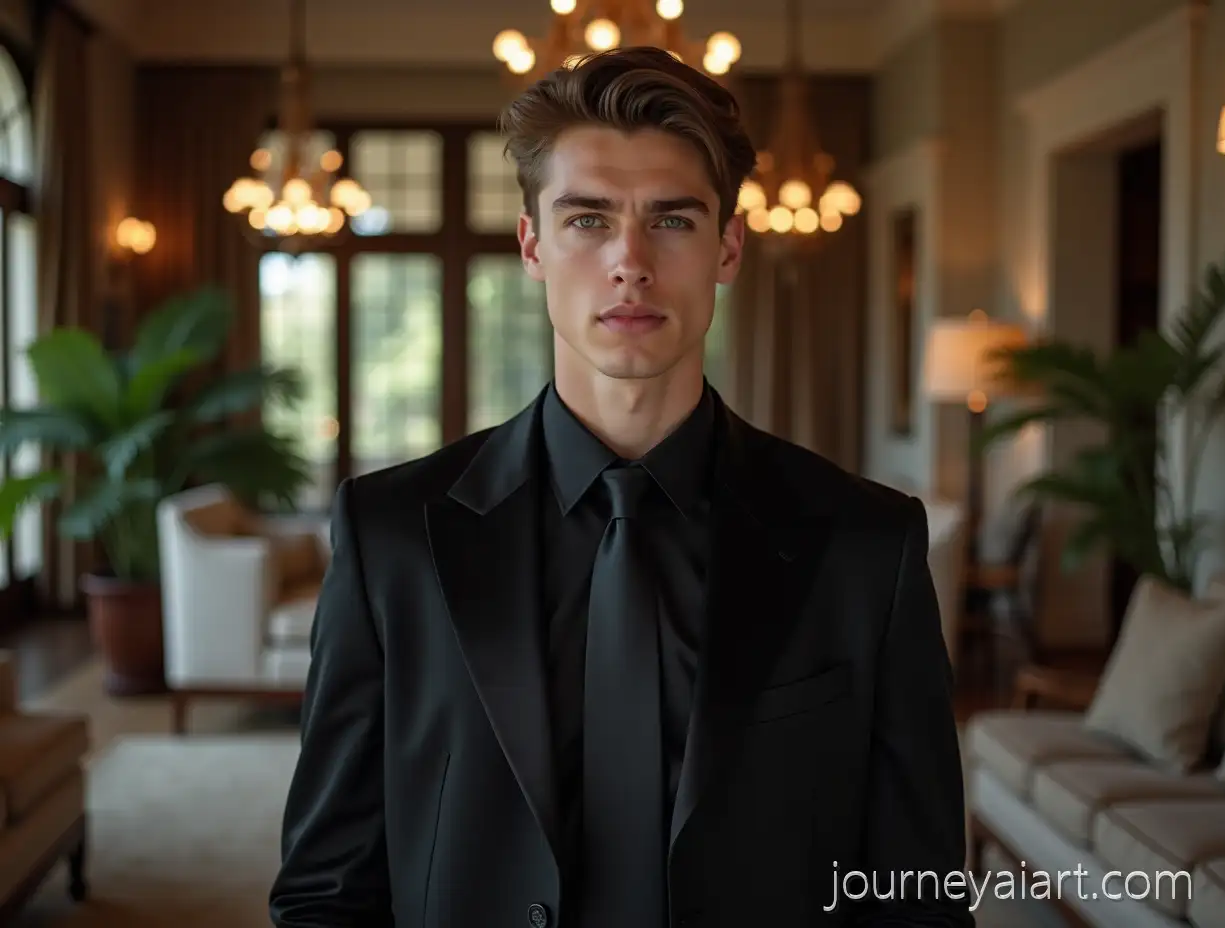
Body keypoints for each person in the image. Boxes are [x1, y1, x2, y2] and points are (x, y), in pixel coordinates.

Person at [270, 46, 973, 927]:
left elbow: (918, 897)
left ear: (728, 245)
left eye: (672, 221)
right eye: (588, 219)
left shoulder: (868, 543)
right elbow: (326, 889)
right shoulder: (391, 535)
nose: (630, 261)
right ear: (532, 244)